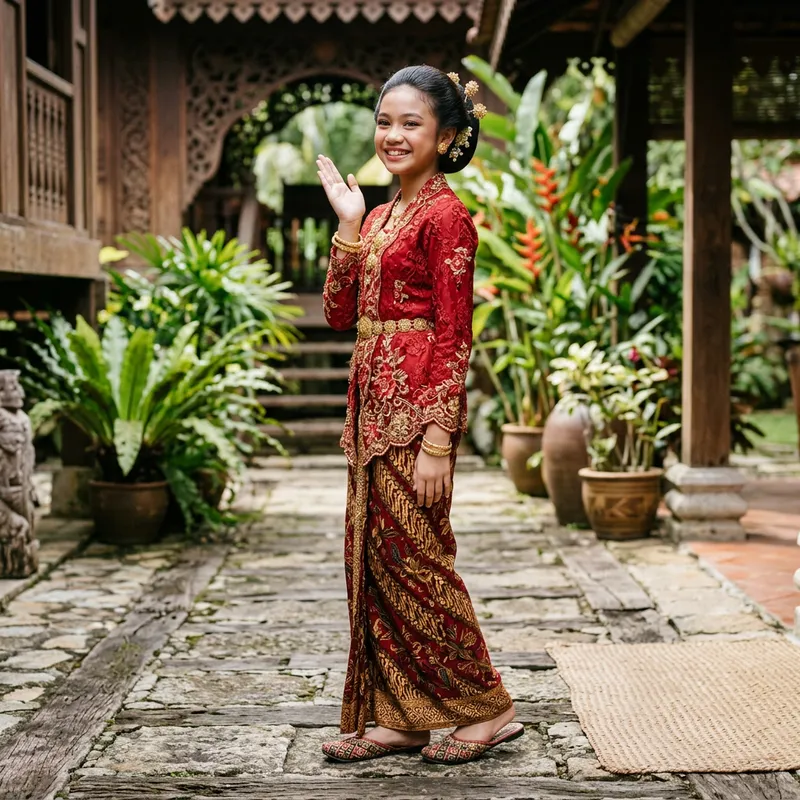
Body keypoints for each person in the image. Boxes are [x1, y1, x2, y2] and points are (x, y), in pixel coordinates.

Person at [316, 65, 523, 766]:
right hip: (368, 415)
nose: (394, 135)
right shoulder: (377, 217)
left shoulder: (447, 216)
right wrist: (348, 228)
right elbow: (339, 314)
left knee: (421, 564)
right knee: (372, 563)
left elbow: (455, 332)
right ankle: (401, 715)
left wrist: (440, 436)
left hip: (415, 419)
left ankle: (489, 709)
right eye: (385, 121)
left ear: (446, 135)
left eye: (411, 123)